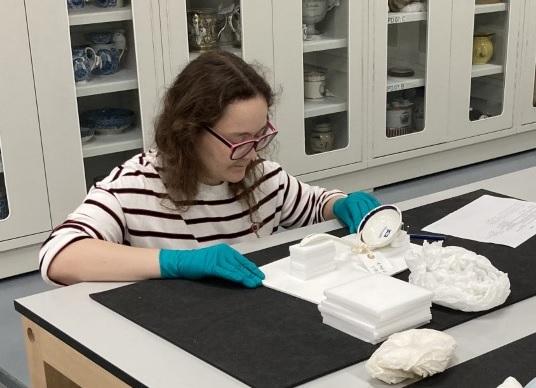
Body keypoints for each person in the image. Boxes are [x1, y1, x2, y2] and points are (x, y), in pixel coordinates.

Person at [40, 51, 380, 288]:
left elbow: (314, 205)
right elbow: (59, 257)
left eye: (261, 135)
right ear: (189, 131)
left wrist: (341, 203)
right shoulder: (133, 187)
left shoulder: (262, 178)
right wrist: (175, 263)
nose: (252, 152)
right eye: (238, 139)